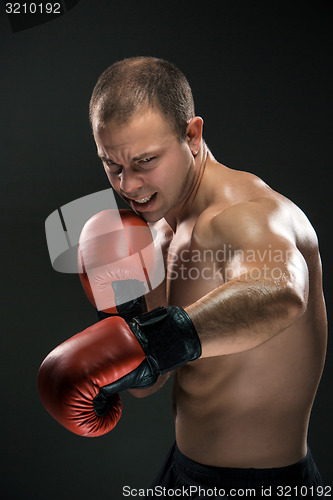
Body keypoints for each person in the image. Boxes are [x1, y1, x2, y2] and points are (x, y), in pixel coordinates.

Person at [40, 56, 327, 497]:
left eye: (145, 161)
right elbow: (149, 381)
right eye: (111, 165)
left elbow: (281, 292)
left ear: (192, 135)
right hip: (183, 471)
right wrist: (127, 316)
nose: (129, 185)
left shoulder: (247, 214)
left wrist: (153, 339)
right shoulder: (155, 232)